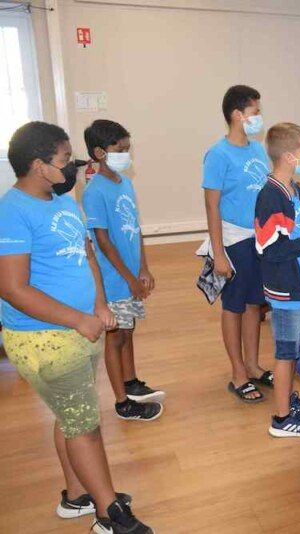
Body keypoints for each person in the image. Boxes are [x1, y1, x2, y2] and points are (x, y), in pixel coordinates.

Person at [0, 122, 153, 533]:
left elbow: (87, 257)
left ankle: (75, 496)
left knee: (70, 416)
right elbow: (12, 288)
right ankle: (108, 515)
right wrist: (78, 319)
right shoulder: (11, 212)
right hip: (44, 339)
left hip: (78, 331)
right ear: (38, 165)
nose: (73, 167)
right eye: (65, 159)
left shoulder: (63, 200)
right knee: (85, 427)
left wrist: (100, 304)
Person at [82, 120, 164, 422]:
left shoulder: (124, 183)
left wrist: (143, 267)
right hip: (114, 282)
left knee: (128, 331)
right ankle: (122, 402)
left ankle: (131, 384)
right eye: (121, 149)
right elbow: (103, 242)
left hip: (130, 277)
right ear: (100, 152)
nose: (126, 155)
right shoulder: (94, 192)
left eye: (128, 149)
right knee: (115, 337)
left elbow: (135, 228)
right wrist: (128, 278)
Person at [255, 122, 300, 438]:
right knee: (285, 353)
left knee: (294, 350)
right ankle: (281, 419)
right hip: (285, 290)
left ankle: (287, 400)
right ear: (287, 156)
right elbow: (269, 248)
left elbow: (299, 232)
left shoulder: (294, 190)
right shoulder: (271, 197)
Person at [202, 85, 273, 403]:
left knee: (255, 305)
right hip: (233, 241)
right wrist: (219, 253)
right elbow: (211, 206)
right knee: (233, 306)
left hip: (260, 239)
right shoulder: (217, 155)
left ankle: (254, 366)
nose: (259, 117)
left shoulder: (258, 150)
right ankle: (238, 373)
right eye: (255, 112)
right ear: (237, 114)